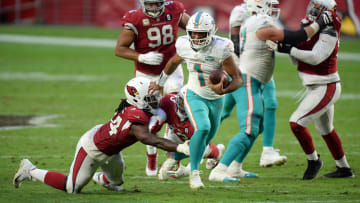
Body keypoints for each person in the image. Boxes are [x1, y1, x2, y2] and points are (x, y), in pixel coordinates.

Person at [209, 0, 334, 182]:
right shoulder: (260, 23)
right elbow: (297, 36)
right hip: (248, 80)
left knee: (257, 127)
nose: (275, 10)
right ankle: (219, 170)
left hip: (254, 80)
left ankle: (235, 167)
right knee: (249, 129)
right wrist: (319, 24)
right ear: (260, 6)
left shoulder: (253, 22)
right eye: (271, 5)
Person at [13, 77, 190, 194]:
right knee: (72, 188)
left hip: (111, 149)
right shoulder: (136, 115)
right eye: (150, 98)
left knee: (116, 181)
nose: (154, 100)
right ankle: (30, 170)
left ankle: (98, 177)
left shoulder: (137, 108)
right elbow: (148, 138)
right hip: (92, 148)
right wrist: (180, 147)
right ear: (137, 98)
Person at [149, 11, 244, 190]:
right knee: (203, 128)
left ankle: (175, 160)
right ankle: (194, 175)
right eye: (194, 33)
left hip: (216, 100)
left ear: (211, 32)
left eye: (201, 33)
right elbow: (173, 62)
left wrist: (224, 89)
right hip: (194, 95)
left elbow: (238, 78)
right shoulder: (184, 44)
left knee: (204, 140)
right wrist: (160, 82)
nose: (197, 37)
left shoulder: (221, 48)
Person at [269, 0, 355, 180]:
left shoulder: (329, 28)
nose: (312, 9)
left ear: (325, 12)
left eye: (318, 7)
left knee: (296, 123)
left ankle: (314, 161)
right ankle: (344, 169)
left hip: (326, 85)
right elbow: (297, 60)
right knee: (325, 129)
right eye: (313, 5)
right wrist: (287, 48)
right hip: (315, 85)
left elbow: (316, 57)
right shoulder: (308, 25)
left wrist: (289, 49)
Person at [117, 0, 190, 176]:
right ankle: (151, 154)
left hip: (171, 69)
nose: (152, 8)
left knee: (174, 109)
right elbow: (119, 49)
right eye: (148, 4)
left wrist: (189, 46)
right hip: (146, 75)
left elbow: (193, 27)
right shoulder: (135, 18)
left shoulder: (174, 9)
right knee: (149, 116)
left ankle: (172, 155)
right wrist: (141, 57)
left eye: (155, 3)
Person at [226, 0, 287, 170]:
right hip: (243, 67)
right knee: (223, 112)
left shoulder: (265, 18)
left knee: (270, 104)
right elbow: (236, 44)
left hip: (261, 68)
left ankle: (267, 151)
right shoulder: (240, 12)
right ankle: (205, 146)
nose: (274, 9)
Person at [149, 87, 225, 180]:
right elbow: (155, 120)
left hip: (192, 137)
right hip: (174, 131)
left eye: (187, 101)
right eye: (181, 100)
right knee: (169, 151)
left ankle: (217, 153)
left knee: (202, 149)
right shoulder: (168, 101)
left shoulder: (197, 119)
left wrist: (187, 169)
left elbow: (198, 147)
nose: (183, 104)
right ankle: (176, 162)